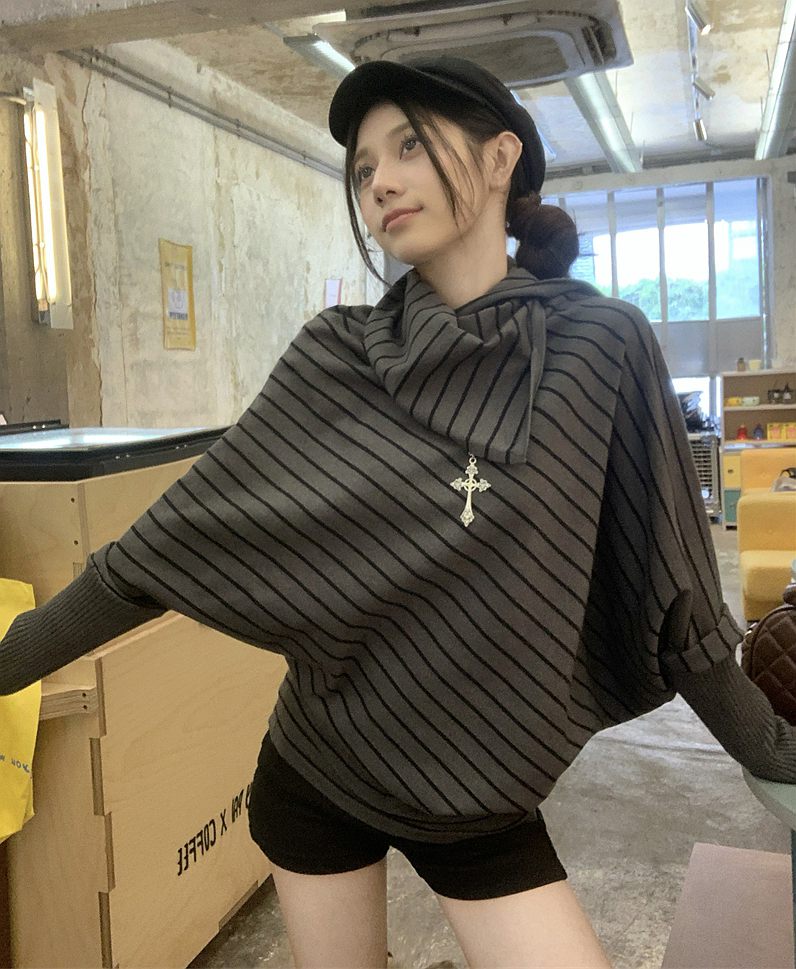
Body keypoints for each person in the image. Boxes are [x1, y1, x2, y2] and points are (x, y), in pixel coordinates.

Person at [1, 56, 795, 969]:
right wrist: (7, 662)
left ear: (500, 158)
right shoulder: (334, 356)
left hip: (478, 792)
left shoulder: (599, 348)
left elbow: (675, 593)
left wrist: (772, 748)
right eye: (363, 166)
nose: (379, 179)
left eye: (410, 144)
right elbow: (159, 553)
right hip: (319, 769)